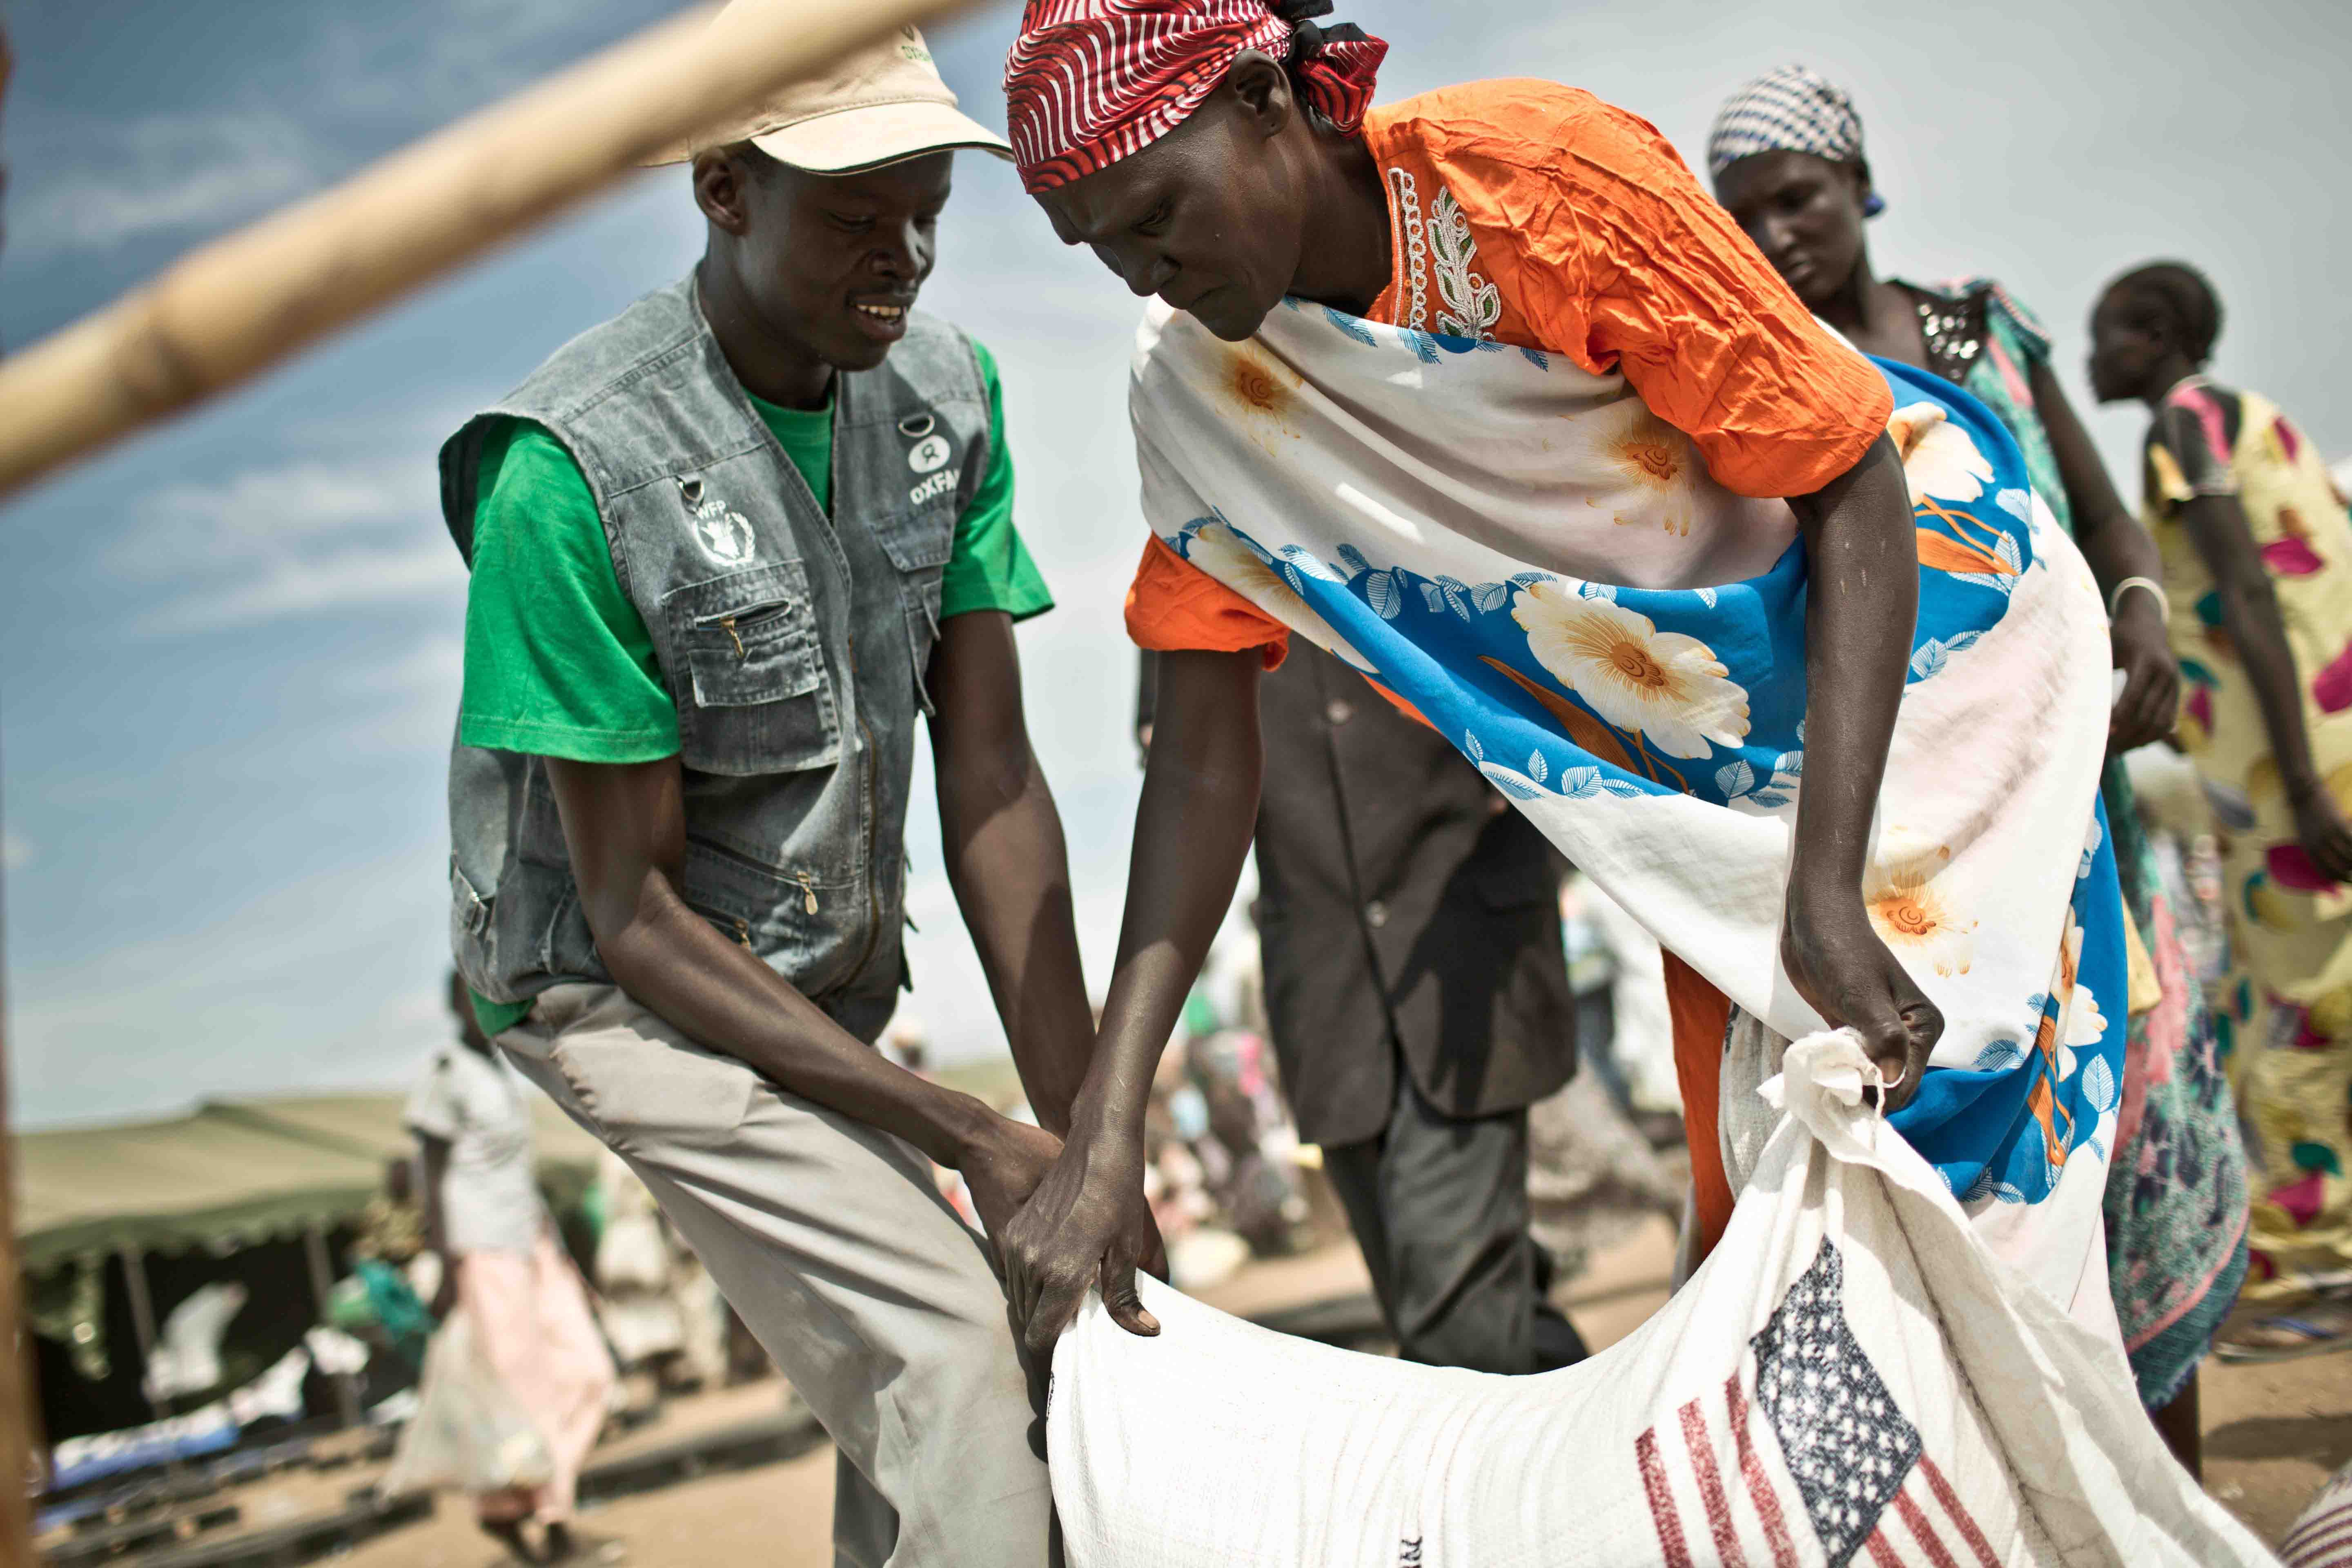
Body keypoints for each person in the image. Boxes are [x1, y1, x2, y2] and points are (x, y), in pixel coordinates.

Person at [993, 0, 2132, 1366]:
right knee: (1803, 1247)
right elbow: (1197, 753)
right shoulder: (1204, 390)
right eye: (1099, 248)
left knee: (1989, 1170)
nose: (1140, 275)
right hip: (1707, 808)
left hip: (1928, 694)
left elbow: (1847, 474)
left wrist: (1826, 894)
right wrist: (1107, 1129)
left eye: (1154, 214)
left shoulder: (1537, 185)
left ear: (1262, 101)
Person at [440, 10, 1094, 1562]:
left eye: (929, 211)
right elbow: (636, 916)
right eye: (858, 216)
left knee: (995, 1319)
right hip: (616, 987)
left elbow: (991, 778)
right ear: (725, 190)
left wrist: (1079, 1137)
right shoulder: (570, 470)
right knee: (952, 1348)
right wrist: (969, 1134)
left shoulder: (950, 402)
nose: (908, 256)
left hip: (813, 975)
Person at [1707, 65, 2247, 1462]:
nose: (1777, 240)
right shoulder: (1753, 397)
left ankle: (2168, 1508)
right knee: (1978, 1198)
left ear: (1860, 181)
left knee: (2127, 1141)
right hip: (1916, 857)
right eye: (1745, 216)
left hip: (2087, 817)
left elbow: (2112, 525)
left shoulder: (1980, 334)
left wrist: (2142, 620)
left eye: (1801, 200)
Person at [1138, 642, 1586, 1372]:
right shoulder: (1196, 548)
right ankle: (1609, 1449)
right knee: (1457, 1293)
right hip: (1325, 984)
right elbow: (1183, 758)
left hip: (1468, 949)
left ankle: (1470, 1481)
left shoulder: (1437, 522)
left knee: (1453, 1318)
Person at [2090, 261, 2352, 1361]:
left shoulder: (2182, 428)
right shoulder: (2263, 418)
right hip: (2317, 737)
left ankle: (2320, 1271)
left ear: (2155, 337)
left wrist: (2296, 782)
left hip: (2291, 761)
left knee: (2300, 1005)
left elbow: (2247, 593)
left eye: (2108, 335)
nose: (2094, 355)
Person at [410, 974, 617, 1564]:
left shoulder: (505, 1070)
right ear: (456, 1005)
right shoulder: (445, 1073)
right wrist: (446, 1269)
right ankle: (547, 1523)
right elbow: (431, 1173)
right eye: (471, 998)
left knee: (588, 1373)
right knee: (520, 1396)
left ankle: (521, 1508)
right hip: (483, 1252)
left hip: (532, 1246)